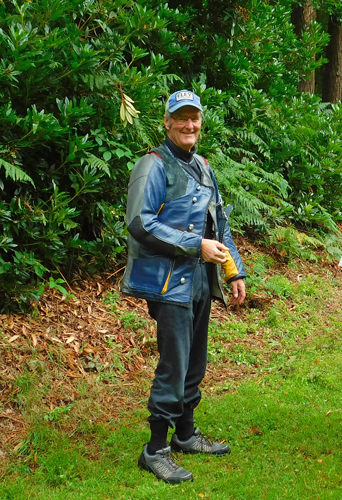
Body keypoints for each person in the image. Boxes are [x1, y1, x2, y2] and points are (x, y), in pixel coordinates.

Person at [121, 90, 247, 483]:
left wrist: (233, 269)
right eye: (181, 118)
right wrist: (196, 245)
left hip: (199, 281)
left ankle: (186, 435)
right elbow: (140, 223)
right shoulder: (152, 165)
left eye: (194, 118)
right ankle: (155, 448)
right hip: (168, 283)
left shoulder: (205, 166)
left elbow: (218, 223)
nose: (189, 125)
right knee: (174, 365)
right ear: (167, 122)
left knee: (195, 363)